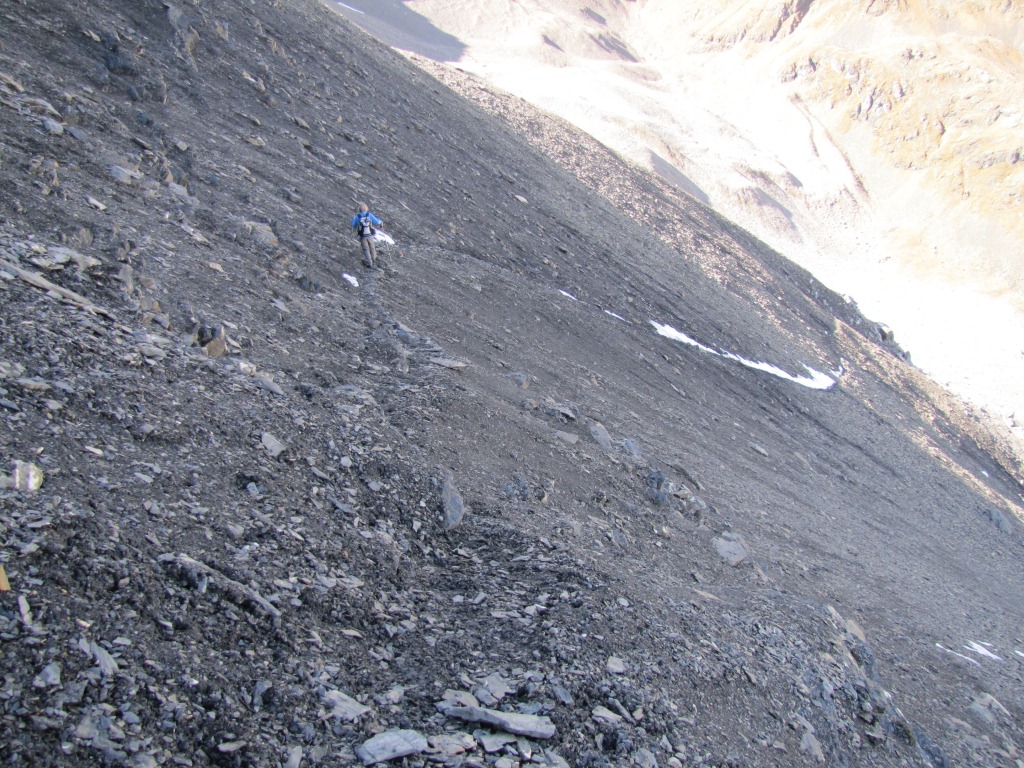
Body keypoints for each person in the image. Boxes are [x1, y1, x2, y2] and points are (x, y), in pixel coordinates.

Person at [351, 203, 383, 268]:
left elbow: (353, 225)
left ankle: (369, 263)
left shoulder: (358, 217)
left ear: (359, 209)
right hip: (370, 234)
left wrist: (353, 219)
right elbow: (377, 222)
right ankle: (374, 258)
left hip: (362, 236)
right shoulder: (369, 215)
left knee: (366, 249)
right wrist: (381, 221)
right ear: (366, 208)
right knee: (372, 247)